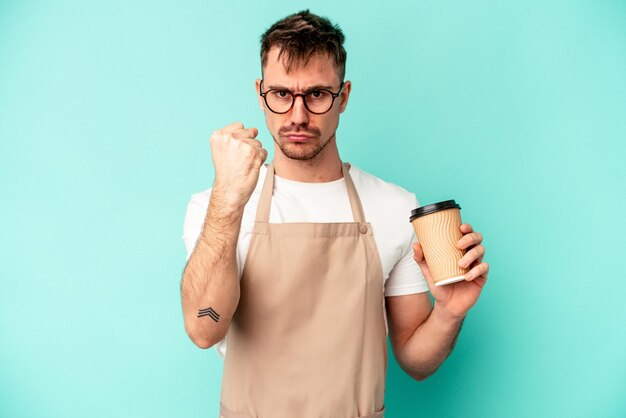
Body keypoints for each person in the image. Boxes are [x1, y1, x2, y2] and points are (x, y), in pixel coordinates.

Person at [181, 10, 490, 418]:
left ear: (342, 96)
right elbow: (205, 329)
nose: (297, 116)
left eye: (316, 94)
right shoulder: (216, 206)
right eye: (281, 94)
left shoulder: (393, 207)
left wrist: (449, 312)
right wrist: (228, 199)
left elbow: (416, 362)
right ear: (260, 93)